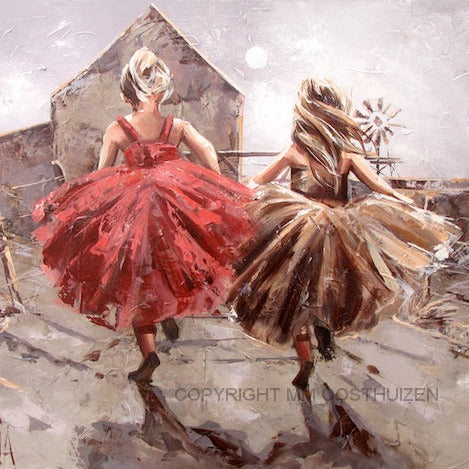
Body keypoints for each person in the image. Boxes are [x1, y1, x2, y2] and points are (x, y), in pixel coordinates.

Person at [32, 48, 254, 383]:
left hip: (133, 208)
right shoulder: (177, 126)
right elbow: (207, 150)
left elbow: (102, 172)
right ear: (162, 91)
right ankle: (167, 315)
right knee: (173, 261)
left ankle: (149, 353)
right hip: (173, 200)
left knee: (135, 275)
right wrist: (216, 184)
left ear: (126, 94)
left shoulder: (117, 129)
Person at [229, 78, 460, 390]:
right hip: (337, 227)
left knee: (294, 296)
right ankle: (324, 327)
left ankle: (306, 358)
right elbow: (379, 186)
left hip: (300, 228)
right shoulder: (346, 153)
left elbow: (258, 180)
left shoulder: (296, 150)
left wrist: (234, 194)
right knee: (330, 289)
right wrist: (405, 202)